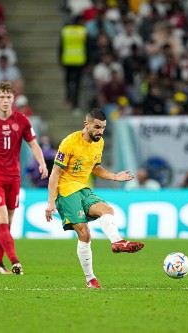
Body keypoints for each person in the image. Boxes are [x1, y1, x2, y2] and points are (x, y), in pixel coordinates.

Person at [45, 108, 144, 289]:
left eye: (103, 128)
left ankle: (117, 242)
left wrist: (115, 176)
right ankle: (90, 279)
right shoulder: (69, 142)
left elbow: (95, 167)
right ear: (87, 124)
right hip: (66, 192)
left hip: (83, 189)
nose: (100, 132)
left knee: (107, 210)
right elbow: (55, 173)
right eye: (97, 127)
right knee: (85, 233)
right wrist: (51, 202)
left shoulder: (99, 143)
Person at [0, 80, 48, 275]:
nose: (5, 100)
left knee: (7, 224)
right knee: (2, 219)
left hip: (14, 177)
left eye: (9, 97)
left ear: (13, 99)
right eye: (2, 97)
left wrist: (41, 162)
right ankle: (15, 261)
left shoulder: (22, 120)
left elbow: (33, 144)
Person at [59, 15, 88, 114]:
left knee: (68, 81)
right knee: (77, 84)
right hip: (79, 60)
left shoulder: (66, 30)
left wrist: (60, 59)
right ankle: (75, 104)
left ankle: (68, 97)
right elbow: (87, 47)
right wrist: (87, 62)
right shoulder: (82, 31)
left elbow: (61, 46)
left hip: (67, 59)